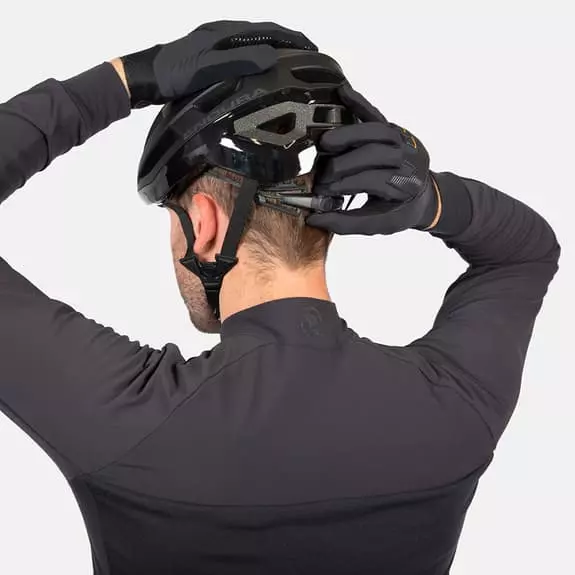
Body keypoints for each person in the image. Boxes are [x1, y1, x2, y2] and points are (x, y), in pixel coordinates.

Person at [0, 20, 560, 575]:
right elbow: (525, 253)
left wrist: (126, 80)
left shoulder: (126, 416)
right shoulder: (455, 404)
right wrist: (432, 199)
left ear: (205, 224)